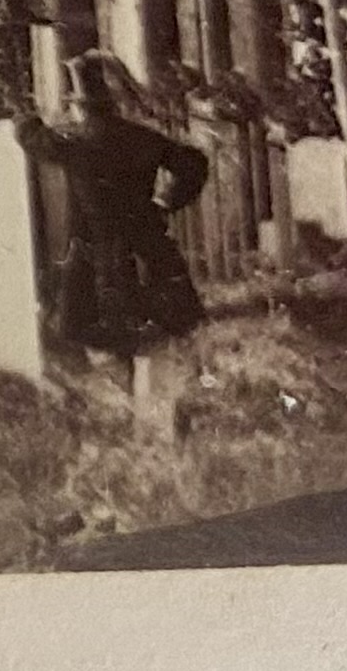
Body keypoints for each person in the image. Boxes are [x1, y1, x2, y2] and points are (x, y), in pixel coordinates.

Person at [27, 50, 211, 437]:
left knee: (102, 340)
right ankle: (157, 421)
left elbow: (32, 138)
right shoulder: (142, 138)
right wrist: (168, 201)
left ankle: (127, 412)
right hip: (147, 248)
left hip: (97, 255)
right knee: (158, 334)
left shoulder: (73, 143)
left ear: (81, 108)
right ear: (111, 104)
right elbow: (194, 162)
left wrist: (23, 114)